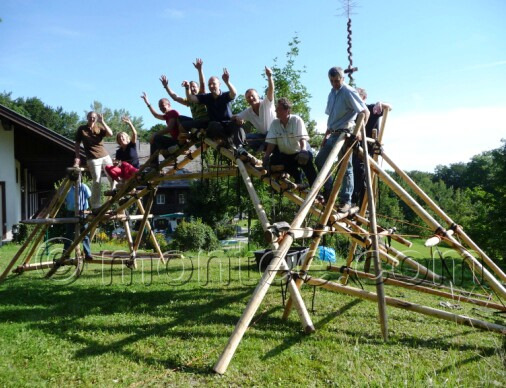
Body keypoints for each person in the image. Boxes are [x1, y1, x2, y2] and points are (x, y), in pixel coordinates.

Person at [314, 67, 369, 212]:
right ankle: (330, 189)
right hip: (332, 133)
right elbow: (331, 118)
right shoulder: (332, 93)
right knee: (319, 160)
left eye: (337, 81)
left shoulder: (348, 91)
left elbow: (365, 112)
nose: (334, 84)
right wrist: (326, 135)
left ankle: (346, 201)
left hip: (345, 134)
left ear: (342, 79)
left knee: (345, 166)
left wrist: (358, 131)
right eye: (331, 81)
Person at [263, 98, 317, 187]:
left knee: (306, 163)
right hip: (286, 155)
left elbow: (302, 138)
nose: (276, 111)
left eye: (279, 109)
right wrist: (266, 156)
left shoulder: (296, 120)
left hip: (300, 152)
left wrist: (303, 151)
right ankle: (298, 178)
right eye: (276, 109)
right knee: (274, 162)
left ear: (287, 110)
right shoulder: (275, 123)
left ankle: (316, 190)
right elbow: (271, 142)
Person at [185, 68, 245, 148]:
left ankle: (240, 147)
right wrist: (187, 88)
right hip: (216, 128)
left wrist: (227, 82)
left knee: (237, 124)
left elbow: (233, 93)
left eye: (213, 84)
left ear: (219, 84)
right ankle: (227, 143)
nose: (211, 86)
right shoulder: (206, 97)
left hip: (228, 124)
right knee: (213, 124)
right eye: (209, 84)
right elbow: (190, 98)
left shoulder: (225, 95)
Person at [351, 88, 391, 204]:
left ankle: (362, 205)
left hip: (369, 148)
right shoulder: (354, 111)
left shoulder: (371, 109)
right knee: (353, 172)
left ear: (363, 98)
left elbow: (389, 107)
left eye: (357, 97)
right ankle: (353, 201)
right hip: (356, 146)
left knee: (363, 175)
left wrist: (380, 103)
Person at [74, 111, 115, 211]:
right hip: (92, 158)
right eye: (90, 117)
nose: (92, 119)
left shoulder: (99, 127)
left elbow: (111, 133)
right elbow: (77, 144)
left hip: (104, 155)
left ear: (96, 118)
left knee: (113, 176)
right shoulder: (82, 129)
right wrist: (77, 157)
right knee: (97, 180)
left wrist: (102, 122)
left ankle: (114, 196)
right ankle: (96, 205)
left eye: (94, 117)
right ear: (87, 117)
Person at [232, 66, 275, 151]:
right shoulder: (248, 112)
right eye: (248, 97)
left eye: (252, 96)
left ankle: (264, 146)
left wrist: (269, 77)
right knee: (245, 137)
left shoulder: (266, 103)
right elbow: (235, 116)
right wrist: (237, 119)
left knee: (268, 135)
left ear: (258, 96)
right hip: (263, 137)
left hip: (275, 133)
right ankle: (242, 151)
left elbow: (270, 90)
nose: (251, 98)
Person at [160, 58, 209, 131]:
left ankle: (192, 136)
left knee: (184, 125)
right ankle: (192, 135)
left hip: (205, 122)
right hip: (196, 122)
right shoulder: (189, 101)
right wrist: (166, 86)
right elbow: (175, 98)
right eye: (190, 87)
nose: (192, 89)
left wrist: (199, 70)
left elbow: (202, 84)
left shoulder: (202, 96)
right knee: (179, 118)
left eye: (194, 87)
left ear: (198, 88)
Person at [141, 92, 183, 168]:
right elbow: (156, 115)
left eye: (162, 106)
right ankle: (154, 162)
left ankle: (164, 157)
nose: (161, 108)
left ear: (169, 105)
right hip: (174, 141)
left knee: (156, 137)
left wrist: (155, 134)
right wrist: (147, 103)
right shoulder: (167, 115)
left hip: (178, 142)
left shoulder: (172, 113)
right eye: (159, 107)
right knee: (154, 140)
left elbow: (169, 128)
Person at [105, 116, 139, 181]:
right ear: (118, 140)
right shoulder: (118, 152)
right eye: (119, 138)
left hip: (134, 171)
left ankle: (126, 182)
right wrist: (115, 163)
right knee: (108, 167)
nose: (121, 138)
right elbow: (118, 165)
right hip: (124, 173)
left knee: (124, 163)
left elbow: (135, 133)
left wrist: (130, 123)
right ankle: (120, 182)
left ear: (126, 138)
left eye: (122, 137)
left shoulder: (131, 145)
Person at [63, 182, 92, 260]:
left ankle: (88, 253)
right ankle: (66, 254)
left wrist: (92, 210)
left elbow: (90, 197)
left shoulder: (83, 186)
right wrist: (66, 203)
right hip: (71, 212)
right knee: (69, 233)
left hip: (82, 212)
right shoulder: (67, 188)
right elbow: (62, 198)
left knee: (85, 233)